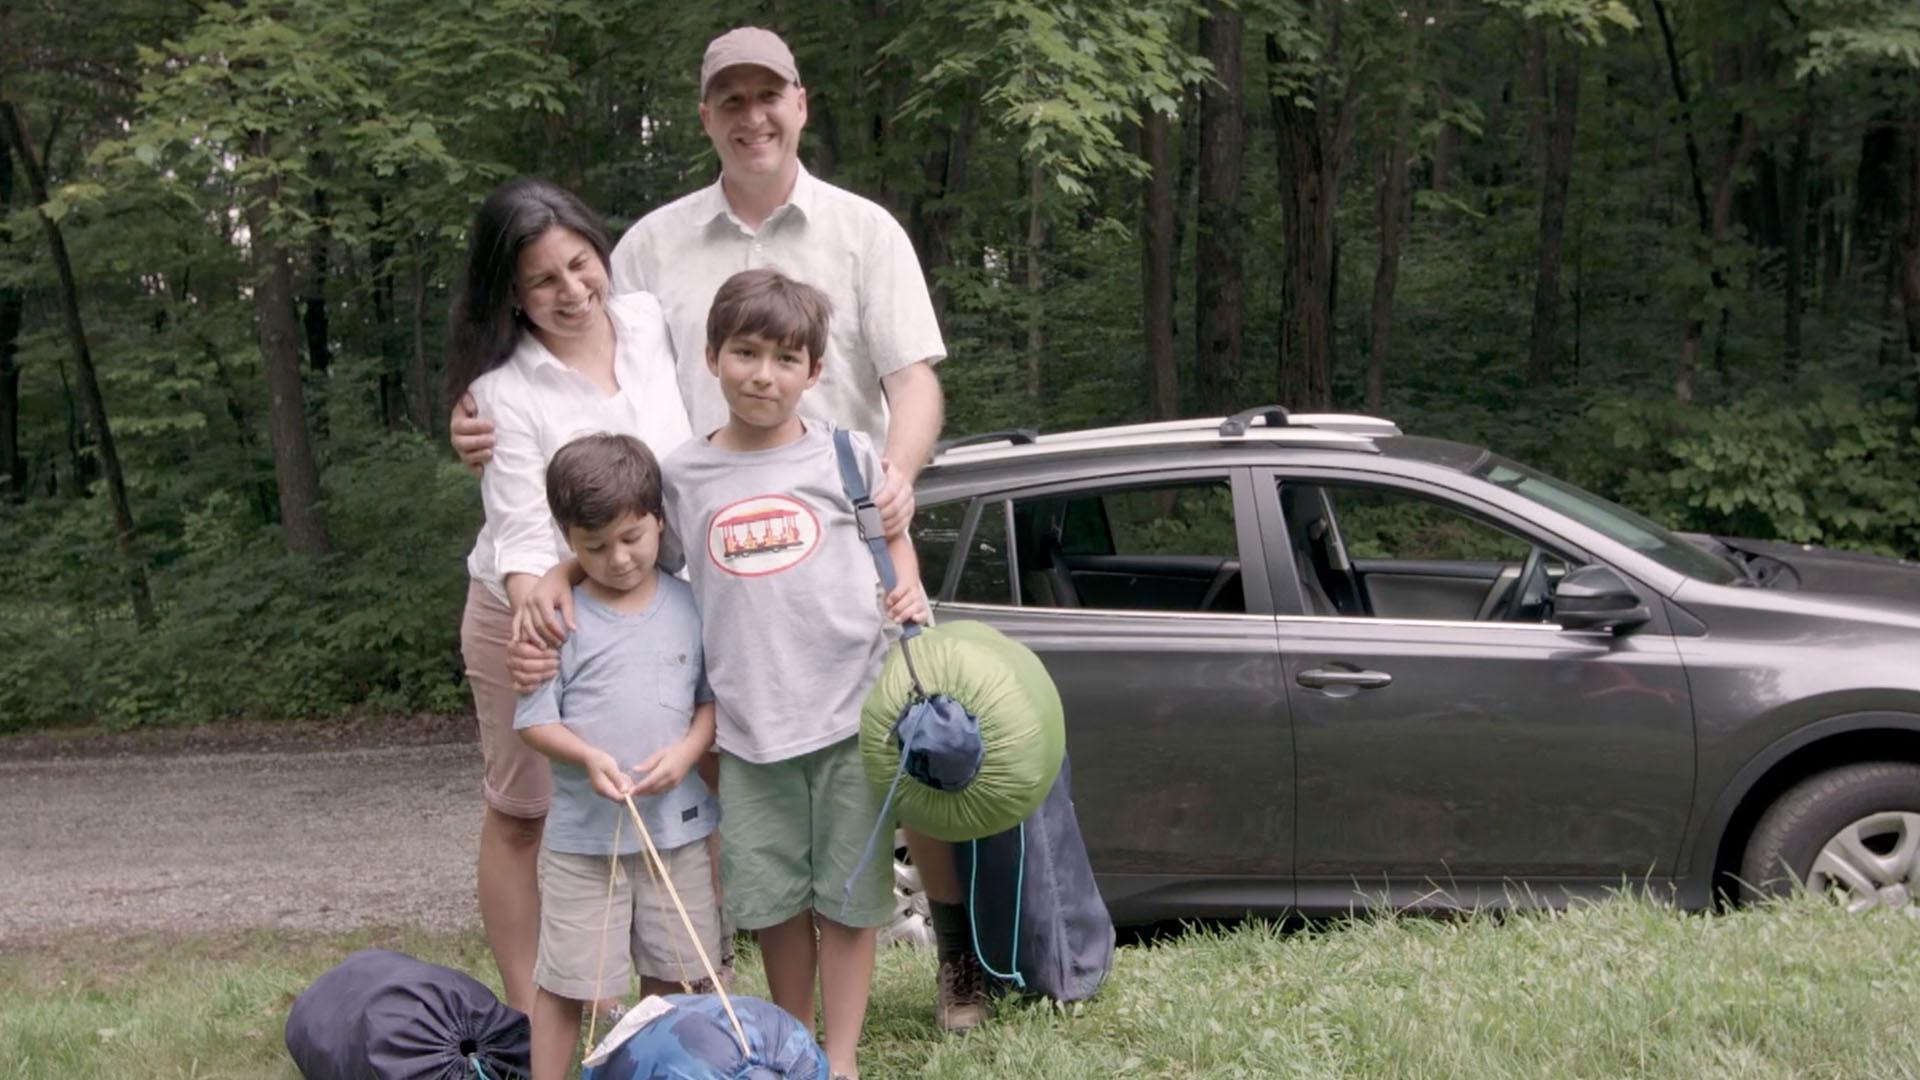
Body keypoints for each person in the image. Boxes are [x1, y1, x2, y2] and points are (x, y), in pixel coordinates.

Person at [451, 26, 990, 1034]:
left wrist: (896, 487)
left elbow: (914, 378)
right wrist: (473, 412)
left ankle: (954, 965)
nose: (752, 117)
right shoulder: (651, 247)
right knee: (688, 792)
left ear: (801, 101)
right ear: (705, 116)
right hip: (680, 573)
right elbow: (554, 342)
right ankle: (632, 1003)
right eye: (729, 101)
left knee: (894, 767)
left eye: (768, 96)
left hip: (840, 549)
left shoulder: (864, 230)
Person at [663, 268, 924, 1079]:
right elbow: (645, 573)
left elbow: (891, 550)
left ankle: (838, 1060)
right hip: (747, 731)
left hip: (852, 719)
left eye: (785, 358)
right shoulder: (681, 477)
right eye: (745, 352)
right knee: (773, 904)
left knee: (849, 902)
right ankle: (794, 1047)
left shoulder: (849, 456)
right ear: (711, 356)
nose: (763, 374)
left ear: (814, 371)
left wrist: (909, 586)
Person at [447, 177, 693, 1012]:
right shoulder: (502, 392)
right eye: (543, 281)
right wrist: (539, 611)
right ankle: (534, 1012)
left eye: (581, 265)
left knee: (662, 792)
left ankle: (671, 993)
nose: (572, 291)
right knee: (527, 813)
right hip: (534, 615)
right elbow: (521, 533)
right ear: (510, 295)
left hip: (654, 608)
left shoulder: (655, 325)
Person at [514, 433, 721, 1080]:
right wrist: (587, 757)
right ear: (567, 541)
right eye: (594, 547)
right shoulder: (557, 617)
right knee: (571, 979)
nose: (618, 559)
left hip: (678, 833)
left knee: (683, 972)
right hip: (583, 842)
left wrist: (688, 752)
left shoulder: (691, 605)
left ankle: (670, 1071)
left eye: (632, 537)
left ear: (659, 521)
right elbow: (534, 720)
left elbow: (710, 705)